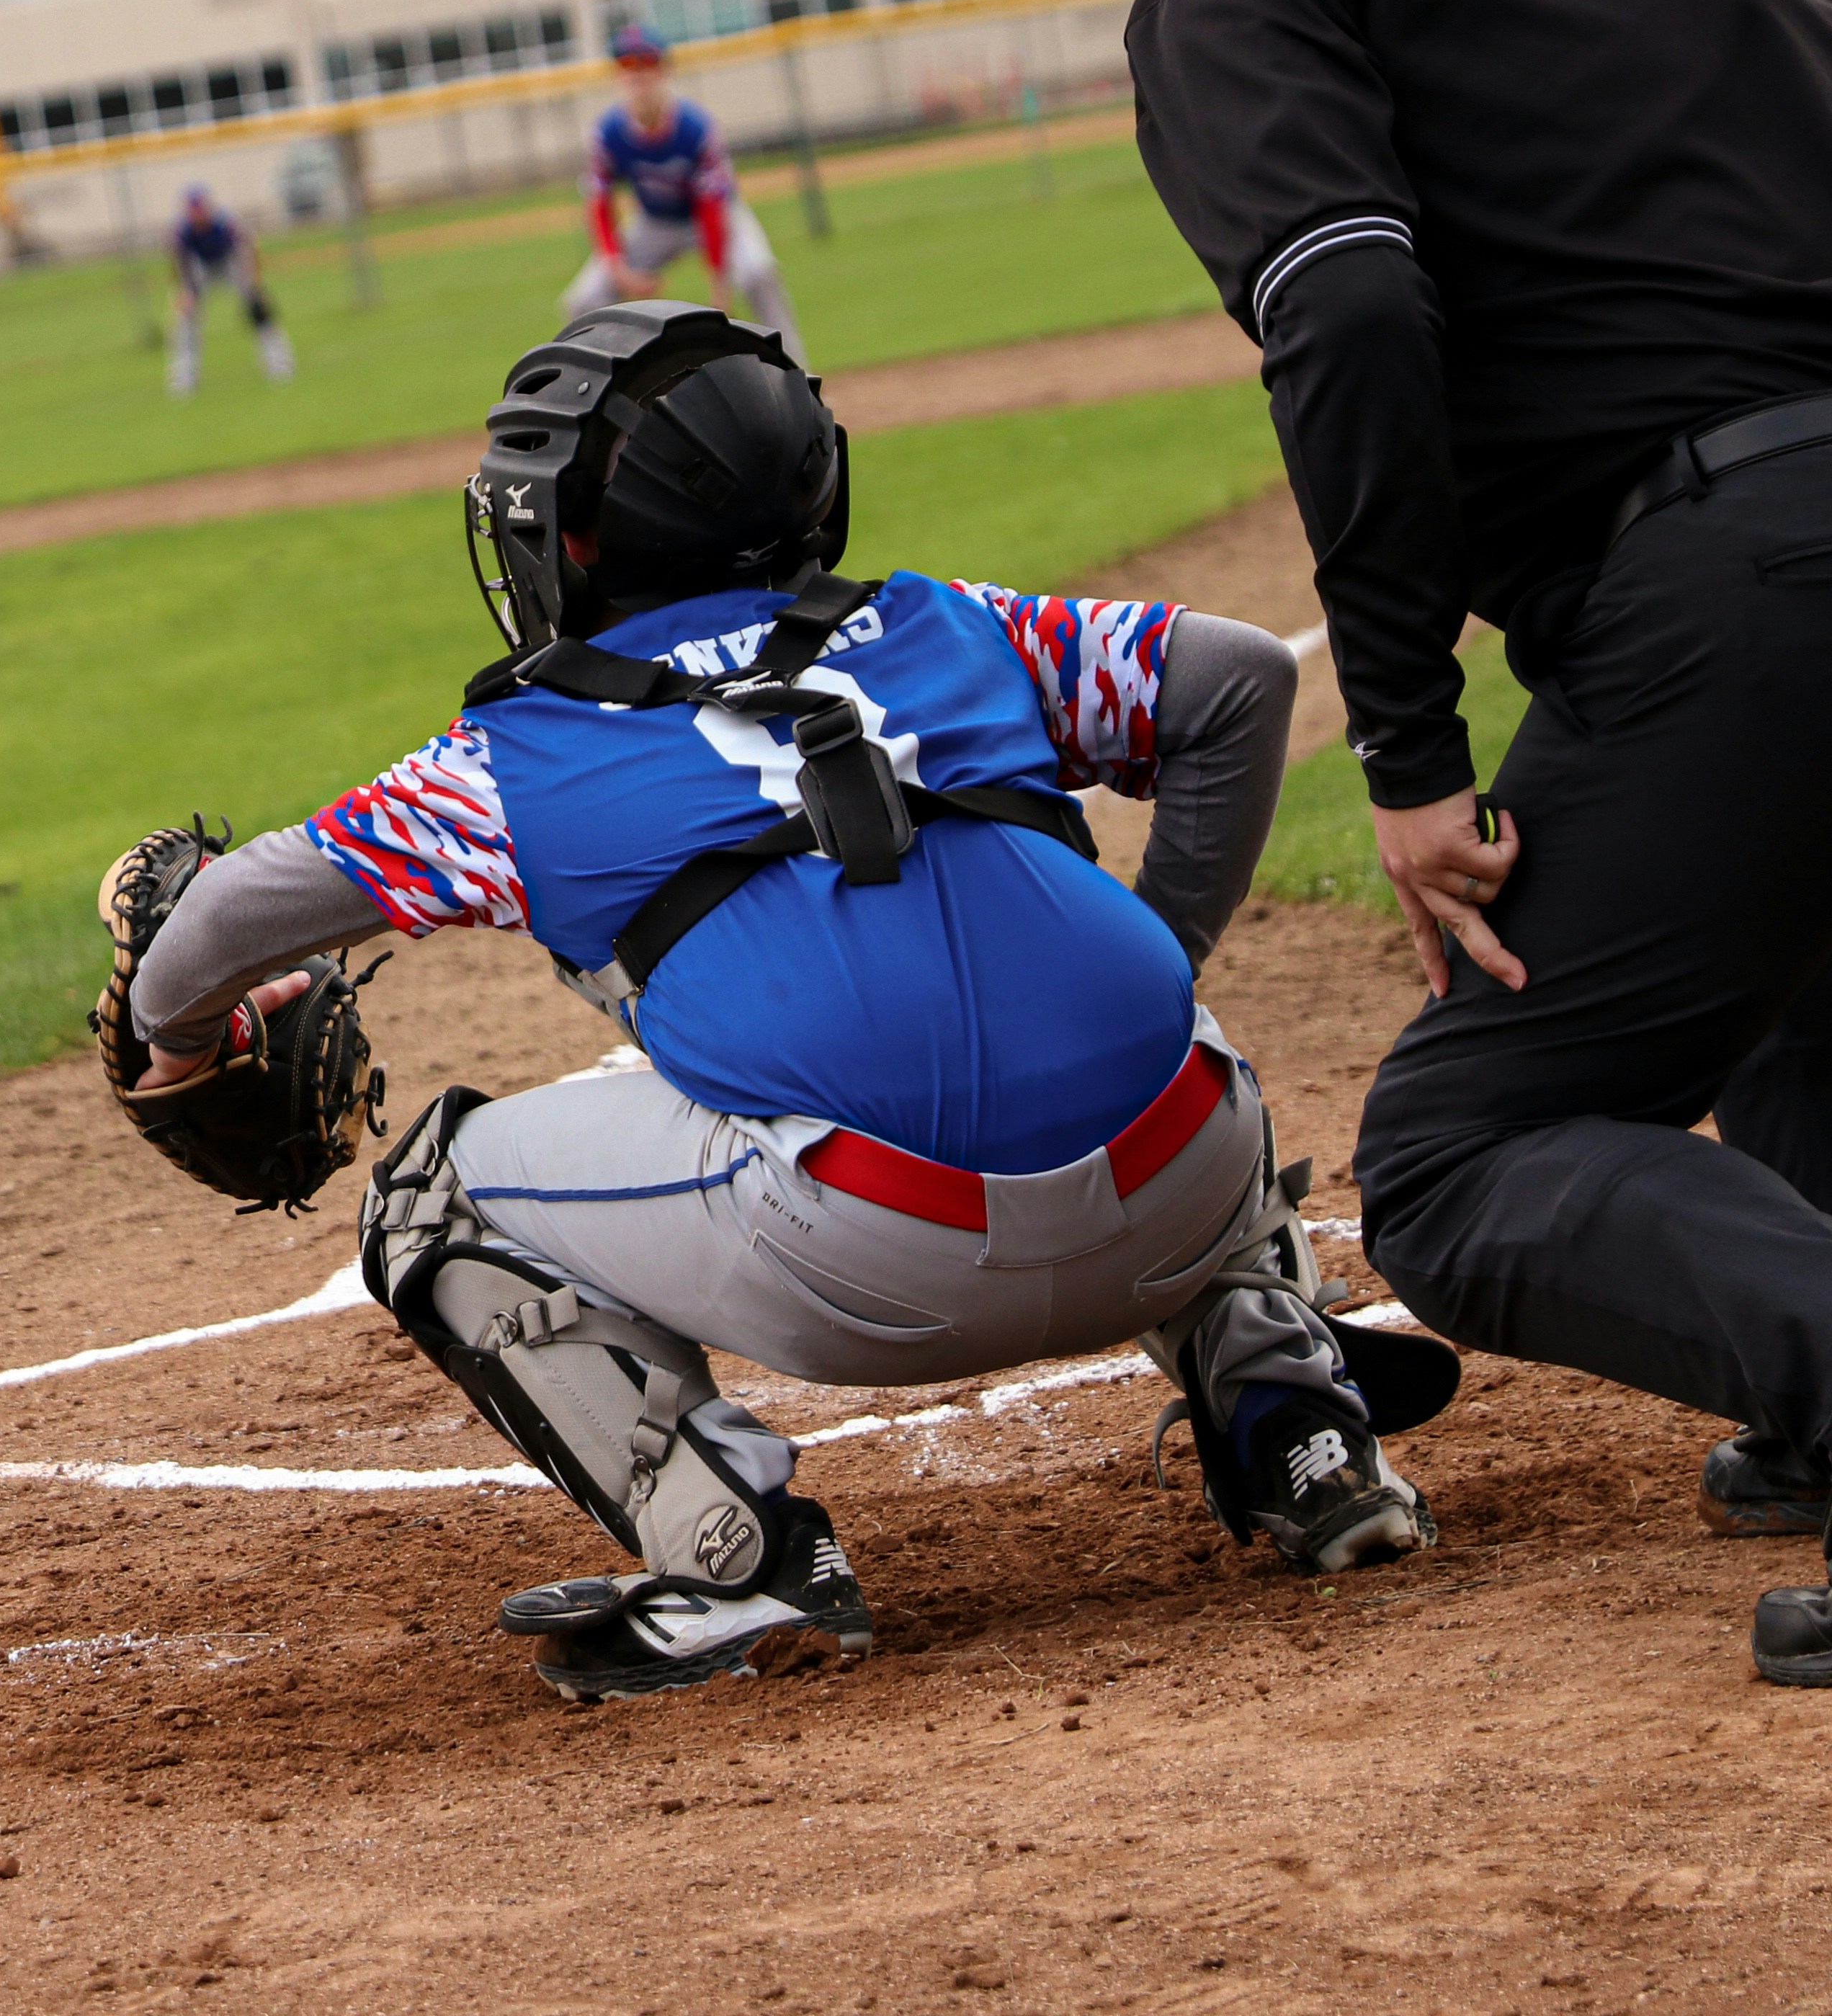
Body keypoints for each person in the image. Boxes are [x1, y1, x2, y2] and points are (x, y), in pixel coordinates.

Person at [84, 303, 1451, 1701]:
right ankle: (1299, 1421)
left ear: (573, 541)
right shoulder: (955, 622)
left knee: (432, 1192)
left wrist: (174, 1033)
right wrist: (1165, 941)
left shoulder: (509, 754)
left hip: (877, 1262)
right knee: (1154, 1019)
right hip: (1184, 1174)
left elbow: (215, 925)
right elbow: (1239, 676)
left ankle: (739, 1553)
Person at [1100, 0, 1832, 1685]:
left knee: (1457, 1149)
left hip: (1737, 575)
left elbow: (1343, 310)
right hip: (1772, 579)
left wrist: (1408, 749)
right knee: (1787, 946)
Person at [564, 22, 800, 356]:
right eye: (626, 64)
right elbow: (600, 203)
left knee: (757, 275)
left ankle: (799, 383)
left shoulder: (695, 128)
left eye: (646, 63)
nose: (636, 74)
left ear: (664, 70)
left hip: (717, 218)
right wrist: (618, 268)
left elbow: (711, 206)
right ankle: (606, 394)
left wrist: (720, 284)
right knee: (585, 299)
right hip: (654, 222)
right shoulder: (608, 132)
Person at [166, 184, 293, 394]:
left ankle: (279, 362)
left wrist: (255, 282)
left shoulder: (226, 222)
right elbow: (179, 261)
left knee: (258, 307)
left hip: (230, 262)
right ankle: (184, 376)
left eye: (200, 209)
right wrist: (184, 291)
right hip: (201, 267)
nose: (197, 214)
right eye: (193, 210)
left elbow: (249, 248)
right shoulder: (182, 231)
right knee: (184, 317)